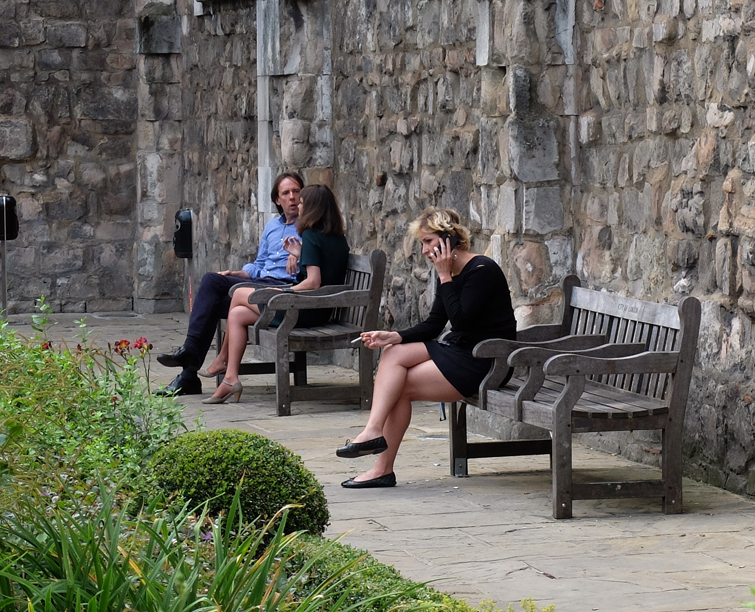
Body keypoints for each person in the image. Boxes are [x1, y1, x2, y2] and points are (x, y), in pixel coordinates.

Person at [336, 208, 517, 488]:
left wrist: (445, 277)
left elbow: (461, 322)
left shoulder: (482, 270)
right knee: (393, 353)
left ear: (450, 240)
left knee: (400, 386)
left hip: (487, 361)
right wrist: (393, 336)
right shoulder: (449, 272)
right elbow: (434, 325)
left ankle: (381, 466)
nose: (423, 250)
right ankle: (374, 439)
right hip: (462, 351)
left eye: (429, 241)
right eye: (422, 243)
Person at [155, 171, 304, 395]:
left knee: (218, 297)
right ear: (277, 200)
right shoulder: (272, 227)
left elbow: (314, 267)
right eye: (286, 193)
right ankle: (190, 367)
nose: (292, 197)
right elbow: (259, 264)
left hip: (280, 291)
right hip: (259, 282)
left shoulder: (309, 226)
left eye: (296, 191)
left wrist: (299, 254)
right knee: (212, 282)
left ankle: (191, 366)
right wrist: (238, 273)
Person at [203, 183, 350, 404]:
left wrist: (283, 291)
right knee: (237, 315)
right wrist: (302, 254)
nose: (298, 206)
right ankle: (230, 378)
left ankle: (223, 359)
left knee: (240, 294)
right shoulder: (337, 237)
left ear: (311, 208)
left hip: (304, 311)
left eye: (301, 202)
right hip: (319, 308)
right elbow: (326, 267)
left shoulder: (310, 234)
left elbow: (313, 281)